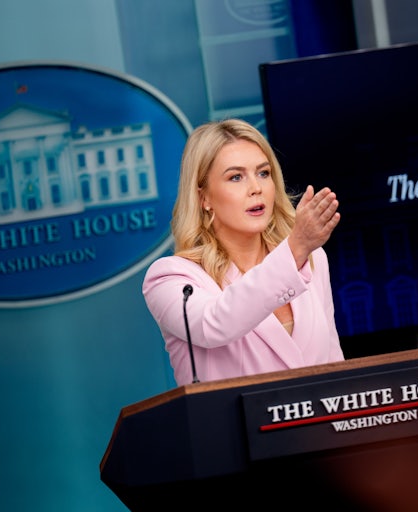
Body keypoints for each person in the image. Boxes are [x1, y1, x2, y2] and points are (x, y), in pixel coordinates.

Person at [142, 118, 343, 385]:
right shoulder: (170, 279)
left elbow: (334, 362)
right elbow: (214, 325)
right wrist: (295, 250)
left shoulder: (312, 258)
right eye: (236, 177)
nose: (256, 188)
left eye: (263, 173)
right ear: (204, 198)